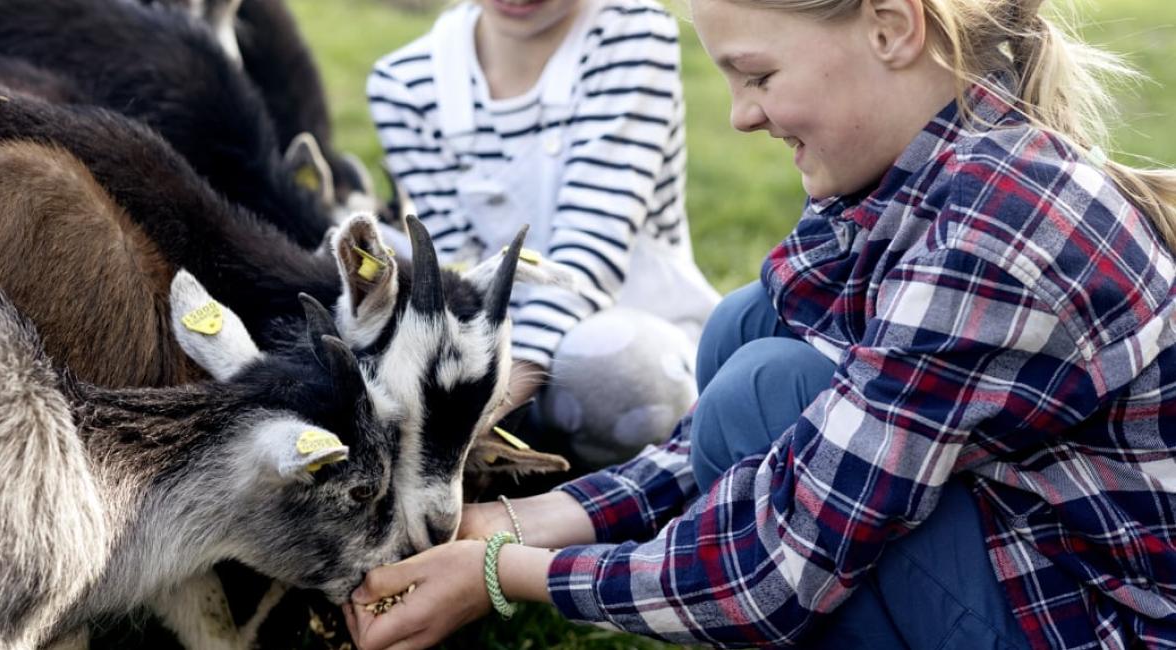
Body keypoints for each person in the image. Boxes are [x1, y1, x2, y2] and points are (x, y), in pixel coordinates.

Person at [345, 0, 1176, 647]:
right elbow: (799, 440)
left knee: (760, 394)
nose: (741, 115)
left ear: (891, 29)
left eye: (759, 76)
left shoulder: (1000, 234)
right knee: (749, 330)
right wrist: (536, 518)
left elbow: (770, 579)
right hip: (1022, 545)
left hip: (1093, 624)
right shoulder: (907, 179)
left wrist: (500, 573)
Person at [367, 0, 723, 468]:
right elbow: (456, 270)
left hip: (629, 325)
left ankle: (643, 479)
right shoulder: (406, 83)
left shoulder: (630, 31)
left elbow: (591, 247)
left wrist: (479, 407)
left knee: (618, 373)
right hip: (494, 348)